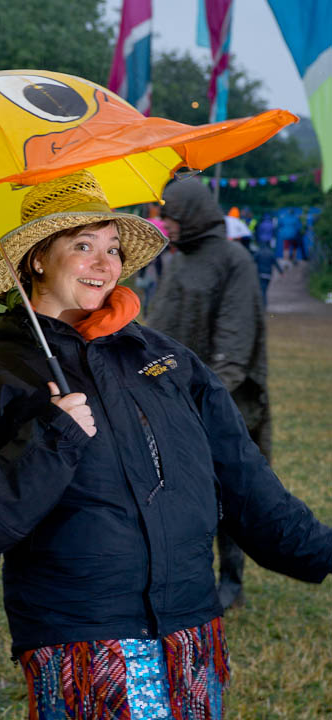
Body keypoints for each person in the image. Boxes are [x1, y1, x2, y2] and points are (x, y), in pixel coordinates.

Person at [0, 171, 331, 720]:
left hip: (187, 628)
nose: (104, 263)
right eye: (83, 245)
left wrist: (322, 549)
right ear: (36, 260)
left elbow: (248, 484)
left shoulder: (166, 361)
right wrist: (50, 438)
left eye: (112, 246)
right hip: (87, 635)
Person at [147, 177, 270, 611]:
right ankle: (185, 576)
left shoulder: (234, 260)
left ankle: (231, 579)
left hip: (223, 403)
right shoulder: (179, 261)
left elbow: (236, 344)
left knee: (230, 493)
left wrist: (206, 396)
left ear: (194, 215)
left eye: (172, 217)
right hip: (172, 401)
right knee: (182, 494)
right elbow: (158, 328)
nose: (167, 225)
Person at [254, 241, 284, 307]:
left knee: (262, 290)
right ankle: (263, 305)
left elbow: (252, 261)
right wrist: (281, 272)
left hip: (260, 274)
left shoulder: (259, 252)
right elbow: (276, 263)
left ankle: (263, 305)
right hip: (268, 275)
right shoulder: (271, 253)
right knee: (264, 289)